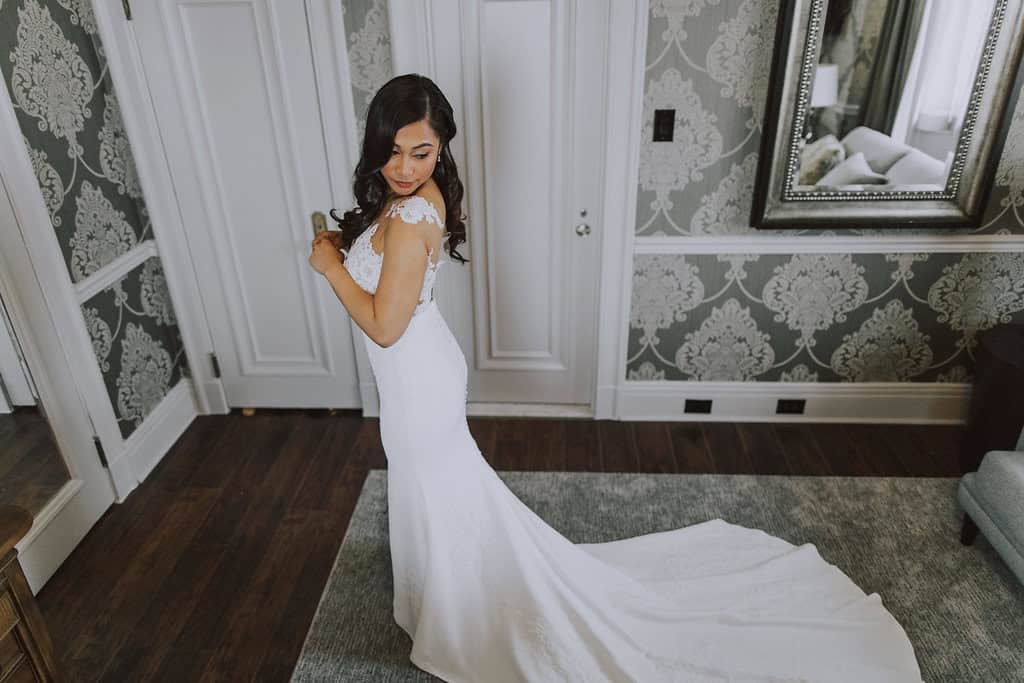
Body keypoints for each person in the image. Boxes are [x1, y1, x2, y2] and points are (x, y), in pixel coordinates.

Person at [307, 73, 923, 682]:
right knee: (438, 487)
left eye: (423, 152)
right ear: (376, 142)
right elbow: (389, 273)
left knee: (440, 487)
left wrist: (332, 266)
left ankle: (461, 613)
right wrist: (354, 243)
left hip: (415, 375)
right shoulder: (412, 200)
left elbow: (384, 326)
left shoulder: (413, 214)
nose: (406, 167)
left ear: (442, 148)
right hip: (420, 369)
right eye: (393, 152)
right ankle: (441, 595)